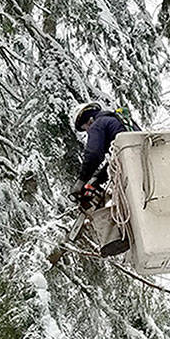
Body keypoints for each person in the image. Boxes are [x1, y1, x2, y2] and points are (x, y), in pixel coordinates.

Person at [70, 101, 129, 256]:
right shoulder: (115, 122)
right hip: (137, 164)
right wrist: (97, 178)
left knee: (111, 201)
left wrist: (82, 180)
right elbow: (115, 160)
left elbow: (94, 154)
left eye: (85, 128)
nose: (87, 131)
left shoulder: (98, 124)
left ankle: (114, 238)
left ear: (89, 120)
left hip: (129, 167)